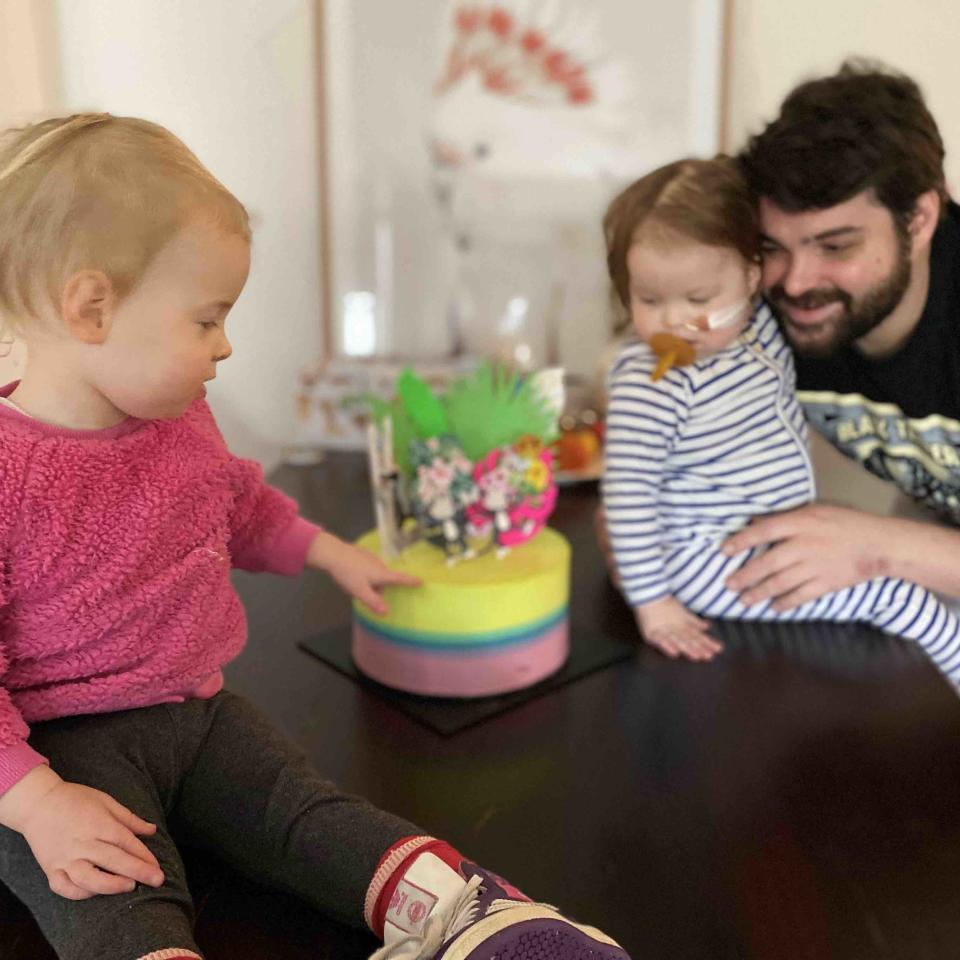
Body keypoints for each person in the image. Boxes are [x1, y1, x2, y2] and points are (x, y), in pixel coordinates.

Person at [0, 114, 629, 960]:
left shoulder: (179, 417)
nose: (225, 346)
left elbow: (236, 504)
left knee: (311, 816)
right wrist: (36, 803)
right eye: (205, 319)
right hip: (55, 751)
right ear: (92, 307)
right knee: (118, 891)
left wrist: (332, 554)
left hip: (198, 713)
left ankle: (476, 919)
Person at [601, 156, 960, 681]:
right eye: (649, 300)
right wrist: (652, 602)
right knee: (908, 604)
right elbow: (627, 493)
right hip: (710, 559)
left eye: (698, 299)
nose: (674, 322)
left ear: (751, 279)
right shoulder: (655, 380)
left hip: (753, 530)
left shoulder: (758, 327)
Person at [722, 59, 960, 612]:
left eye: (836, 247)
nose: (797, 283)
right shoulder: (762, 300)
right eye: (774, 246)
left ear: (920, 219)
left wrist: (879, 547)